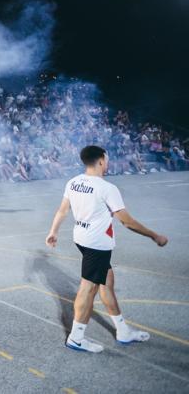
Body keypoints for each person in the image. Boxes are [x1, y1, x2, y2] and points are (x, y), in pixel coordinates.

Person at [45, 145, 168, 353]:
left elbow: (63, 210)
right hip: (96, 244)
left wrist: (53, 231)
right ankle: (76, 338)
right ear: (101, 160)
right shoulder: (107, 188)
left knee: (107, 281)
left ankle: (122, 331)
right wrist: (155, 236)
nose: (108, 163)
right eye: (107, 159)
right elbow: (127, 222)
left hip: (82, 239)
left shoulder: (74, 182)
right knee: (88, 288)